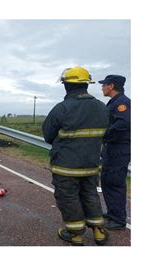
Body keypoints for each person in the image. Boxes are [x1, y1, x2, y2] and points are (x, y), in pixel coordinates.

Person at [42, 66, 110, 246]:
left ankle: (75, 234)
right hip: (91, 165)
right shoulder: (102, 108)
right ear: (87, 84)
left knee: (68, 197)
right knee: (90, 194)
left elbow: (48, 135)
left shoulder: (62, 108)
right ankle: (98, 231)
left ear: (67, 86)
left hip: (66, 166)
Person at [99, 75, 131, 230]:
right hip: (112, 148)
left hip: (118, 148)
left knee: (115, 182)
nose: (102, 87)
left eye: (104, 85)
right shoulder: (115, 102)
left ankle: (118, 220)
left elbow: (123, 125)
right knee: (108, 180)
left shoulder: (122, 103)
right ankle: (113, 213)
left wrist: (104, 136)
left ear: (111, 86)